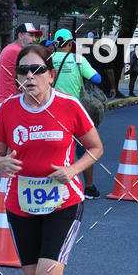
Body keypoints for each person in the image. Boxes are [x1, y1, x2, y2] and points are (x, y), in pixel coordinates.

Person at [0, 44, 103, 275]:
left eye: (37, 70)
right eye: (23, 71)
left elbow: (95, 147)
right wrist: (2, 163)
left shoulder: (69, 106)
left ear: (51, 75)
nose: (29, 76)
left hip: (62, 201)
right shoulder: (9, 110)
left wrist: (73, 169)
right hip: (20, 203)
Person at [0, 22, 43, 192]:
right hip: (9, 104)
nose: (33, 39)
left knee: (0, 146)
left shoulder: (9, 49)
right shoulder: (17, 53)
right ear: (20, 35)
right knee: (13, 145)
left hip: (2, 102)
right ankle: (7, 184)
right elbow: (23, 81)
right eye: (30, 35)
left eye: (35, 36)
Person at [51, 28, 103, 198]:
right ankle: (89, 187)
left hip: (51, 112)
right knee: (86, 148)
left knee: (54, 148)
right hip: (74, 111)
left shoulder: (48, 59)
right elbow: (97, 79)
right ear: (71, 43)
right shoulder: (78, 59)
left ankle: (52, 184)